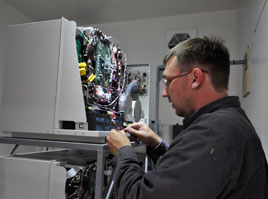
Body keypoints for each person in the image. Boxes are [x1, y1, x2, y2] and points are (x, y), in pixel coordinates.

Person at [107, 36, 268, 199]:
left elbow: (140, 195)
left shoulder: (210, 134)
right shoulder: (230, 122)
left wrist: (123, 152)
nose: (164, 93)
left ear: (195, 78)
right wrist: (158, 145)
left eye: (168, 81)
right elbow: (191, 176)